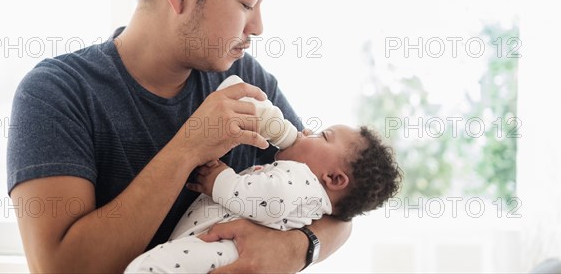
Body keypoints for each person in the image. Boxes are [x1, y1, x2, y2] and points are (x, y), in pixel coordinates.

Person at [7, 0, 353, 272]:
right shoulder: (56, 93)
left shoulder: (249, 82)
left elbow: (339, 204)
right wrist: (189, 146)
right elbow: (59, 268)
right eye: (246, 1)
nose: (257, 27)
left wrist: (295, 249)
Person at [124, 76, 402, 273]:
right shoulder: (307, 185)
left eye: (322, 135)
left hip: (226, 250)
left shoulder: (303, 184)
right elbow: (237, 93)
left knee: (149, 268)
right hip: (209, 243)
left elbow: (260, 196)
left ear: (334, 179)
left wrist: (219, 179)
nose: (306, 132)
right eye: (245, 2)